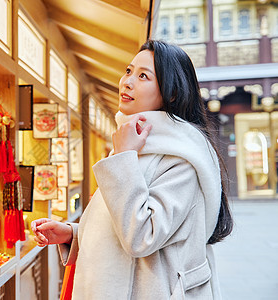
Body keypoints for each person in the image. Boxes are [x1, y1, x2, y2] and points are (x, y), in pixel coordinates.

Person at [31, 40, 233, 299]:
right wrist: (74, 233)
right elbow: (122, 225)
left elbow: (142, 236)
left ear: (171, 93)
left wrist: (124, 156)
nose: (127, 82)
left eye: (143, 76)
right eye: (128, 71)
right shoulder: (136, 144)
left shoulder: (182, 158)